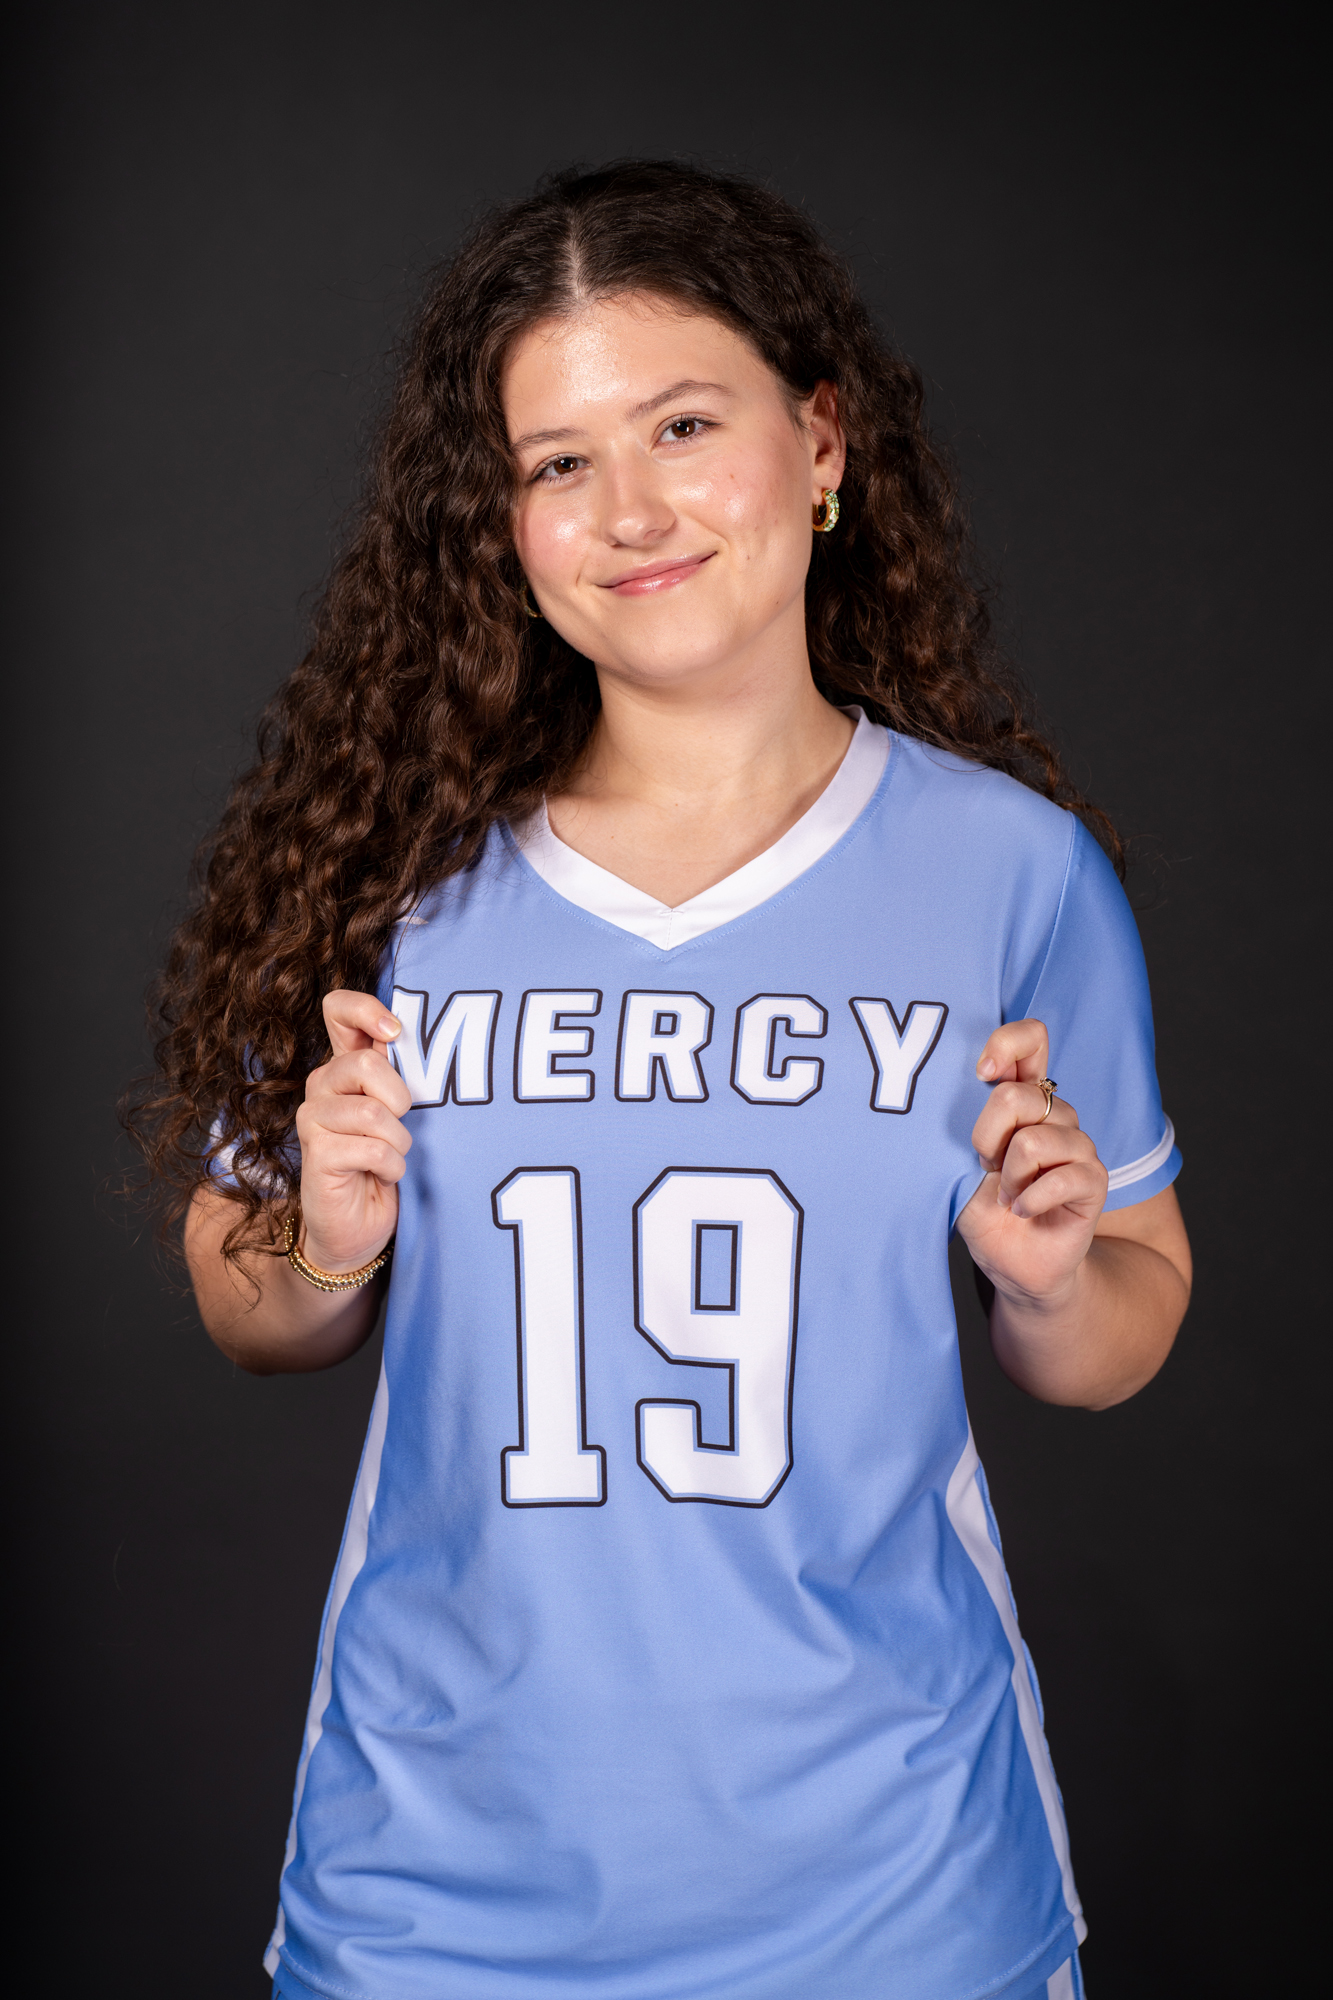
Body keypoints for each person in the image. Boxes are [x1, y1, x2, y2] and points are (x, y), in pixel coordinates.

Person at [135, 162, 1190, 2000]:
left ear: (819, 440)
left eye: (682, 425)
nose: (628, 511)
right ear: (500, 524)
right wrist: (328, 1246)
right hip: (435, 1899)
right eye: (556, 462)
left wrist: (1046, 1280)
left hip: (897, 1899)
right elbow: (250, 1308)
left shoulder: (1013, 873)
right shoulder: (384, 874)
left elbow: (1121, 1327)